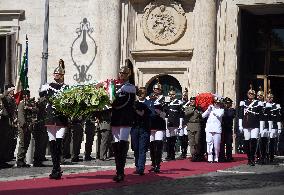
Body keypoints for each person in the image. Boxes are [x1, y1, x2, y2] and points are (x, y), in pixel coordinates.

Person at [40, 59, 68, 179]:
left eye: (58, 74)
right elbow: (41, 96)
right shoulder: (48, 86)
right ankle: (55, 168)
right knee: (52, 143)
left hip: (61, 118)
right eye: (55, 74)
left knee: (59, 143)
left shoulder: (66, 88)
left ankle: (57, 167)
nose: (56, 75)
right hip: (51, 117)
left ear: (62, 75)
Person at [111, 65, 136, 182]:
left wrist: (116, 89)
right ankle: (118, 171)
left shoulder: (129, 87)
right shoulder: (115, 87)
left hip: (125, 118)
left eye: (124, 74)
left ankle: (121, 171)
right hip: (116, 117)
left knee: (122, 143)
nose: (121, 75)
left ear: (128, 75)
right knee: (116, 144)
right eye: (120, 73)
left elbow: (131, 90)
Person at [238, 86, 264, 166]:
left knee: (254, 142)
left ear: (254, 95)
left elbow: (261, 116)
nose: (251, 95)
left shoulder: (258, 103)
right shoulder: (243, 102)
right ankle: (249, 158)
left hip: (255, 124)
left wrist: (261, 127)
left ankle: (252, 158)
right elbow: (240, 115)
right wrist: (240, 125)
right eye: (249, 93)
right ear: (247, 94)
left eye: (252, 94)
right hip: (246, 124)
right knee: (246, 142)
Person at [131, 87, 151, 175]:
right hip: (135, 128)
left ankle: (141, 168)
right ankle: (137, 166)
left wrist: (135, 109)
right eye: (139, 93)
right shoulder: (134, 103)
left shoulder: (149, 103)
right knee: (135, 148)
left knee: (142, 149)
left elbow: (145, 114)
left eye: (142, 93)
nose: (140, 95)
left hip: (144, 128)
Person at [16, 90, 36, 167]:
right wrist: (24, 125)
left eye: (28, 95)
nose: (28, 97)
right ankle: (20, 160)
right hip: (23, 127)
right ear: (24, 96)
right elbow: (20, 116)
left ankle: (23, 159)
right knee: (23, 143)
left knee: (27, 142)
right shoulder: (21, 104)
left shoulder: (28, 103)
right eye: (27, 95)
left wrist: (30, 108)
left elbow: (36, 110)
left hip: (29, 126)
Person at [202, 97, 224, 163]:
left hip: (217, 129)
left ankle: (216, 157)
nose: (216, 104)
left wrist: (213, 110)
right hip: (209, 129)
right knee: (209, 143)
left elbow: (219, 115)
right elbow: (203, 116)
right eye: (215, 103)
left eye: (217, 103)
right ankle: (210, 157)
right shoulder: (210, 110)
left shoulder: (221, 110)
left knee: (216, 145)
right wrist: (208, 110)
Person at [0, 84, 17, 168]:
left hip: (9, 121)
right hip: (4, 120)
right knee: (3, 141)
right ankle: (2, 160)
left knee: (7, 141)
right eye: (12, 90)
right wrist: (6, 92)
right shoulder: (5, 98)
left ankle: (5, 158)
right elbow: (2, 98)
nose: (14, 91)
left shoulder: (12, 99)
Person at [164, 89, 183, 161]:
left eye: (173, 94)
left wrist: (180, 124)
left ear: (175, 95)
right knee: (168, 140)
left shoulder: (178, 103)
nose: (171, 96)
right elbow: (165, 113)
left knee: (173, 140)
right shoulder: (167, 103)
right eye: (170, 94)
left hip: (175, 124)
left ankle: (172, 155)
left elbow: (181, 114)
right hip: (168, 124)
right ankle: (169, 155)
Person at [184, 96, 203, 162]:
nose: (192, 102)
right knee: (191, 142)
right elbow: (186, 113)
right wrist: (193, 109)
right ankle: (193, 155)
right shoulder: (188, 108)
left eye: (193, 101)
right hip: (190, 125)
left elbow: (202, 116)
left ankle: (198, 154)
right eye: (191, 101)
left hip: (197, 125)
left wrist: (199, 112)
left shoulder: (199, 108)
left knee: (197, 141)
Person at [149, 101, 166, 173]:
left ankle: (157, 165)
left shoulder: (161, 103)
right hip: (151, 127)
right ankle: (153, 163)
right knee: (152, 146)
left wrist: (159, 111)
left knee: (158, 146)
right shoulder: (148, 102)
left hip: (159, 127)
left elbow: (164, 115)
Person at [266, 90, 282, 163]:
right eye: (268, 97)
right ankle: (264, 156)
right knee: (265, 141)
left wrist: (279, 127)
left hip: (273, 125)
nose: (269, 99)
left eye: (271, 97)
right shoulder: (263, 105)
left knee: (272, 141)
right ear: (266, 98)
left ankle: (271, 156)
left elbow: (278, 117)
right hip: (265, 125)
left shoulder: (276, 105)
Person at [219, 97, 236, 162]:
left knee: (229, 143)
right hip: (222, 128)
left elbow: (229, 115)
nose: (226, 104)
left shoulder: (232, 110)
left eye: (228, 103)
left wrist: (224, 109)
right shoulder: (222, 110)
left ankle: (229, 156)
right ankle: (222, 156)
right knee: (222, 143)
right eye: (225, 103)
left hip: (228, 128)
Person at [177, 88, 189, 159]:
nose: (184, 96)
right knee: (181, 138)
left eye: (185, 95)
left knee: (185, 138)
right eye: (183, 95)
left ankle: (184, 152)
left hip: (186, 122)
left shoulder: (188, 103)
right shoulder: (180, 103)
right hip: (180, 122)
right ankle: (182, 151)